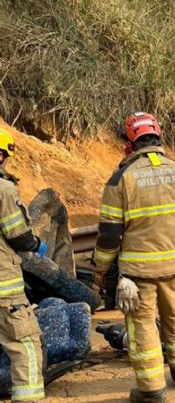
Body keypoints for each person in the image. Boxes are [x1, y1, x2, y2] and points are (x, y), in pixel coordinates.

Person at [93, 113, 175, 403]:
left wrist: (101, 268)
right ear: (159, 138)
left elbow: (110, 234)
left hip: (138, 272)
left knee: (142, 328)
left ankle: (152, 388)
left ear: (130, 144)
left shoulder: (121, 179)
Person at [0, 130, 47, 402]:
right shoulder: (4, 190)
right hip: (5, 287)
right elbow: (18, 235)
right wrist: (35, 243)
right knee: (24, 345)